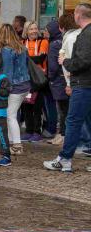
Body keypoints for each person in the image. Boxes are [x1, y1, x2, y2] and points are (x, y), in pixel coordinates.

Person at [45, 3, 91, 173]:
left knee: (73, 122)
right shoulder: (84, 33)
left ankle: (65, 159)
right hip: (86, 84)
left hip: (83, 84)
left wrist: (65, 62)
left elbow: (83, 61)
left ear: (78, 15)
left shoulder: (85, 34)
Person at [0, 23, 30, 156]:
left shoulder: (6, 50)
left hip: (14, 87)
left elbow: (8, 72)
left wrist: (4, 88)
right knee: (11, 114)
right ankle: (9, 144)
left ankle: (17, 145)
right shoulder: (22, 47)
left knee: (10, 115)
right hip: (25, 85)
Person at [47, 14, 76, 148]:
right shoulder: (70, 39)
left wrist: (50, 77)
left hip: (60, 80)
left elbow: (53, 65)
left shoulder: (55, 44)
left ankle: (63, 135)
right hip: (69, 78)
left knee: (63, 110)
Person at [22, 21, 49, 142]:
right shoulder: (22, 42)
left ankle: (37, 132)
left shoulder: (43, 42)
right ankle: (29, 131)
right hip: (26, 78)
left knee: (37, 106)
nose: (34, 31)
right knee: (26, 104)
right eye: (31, 29)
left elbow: (41, 58)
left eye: (35, 28)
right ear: (26, 31)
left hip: (38, 78)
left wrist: (25, 58)